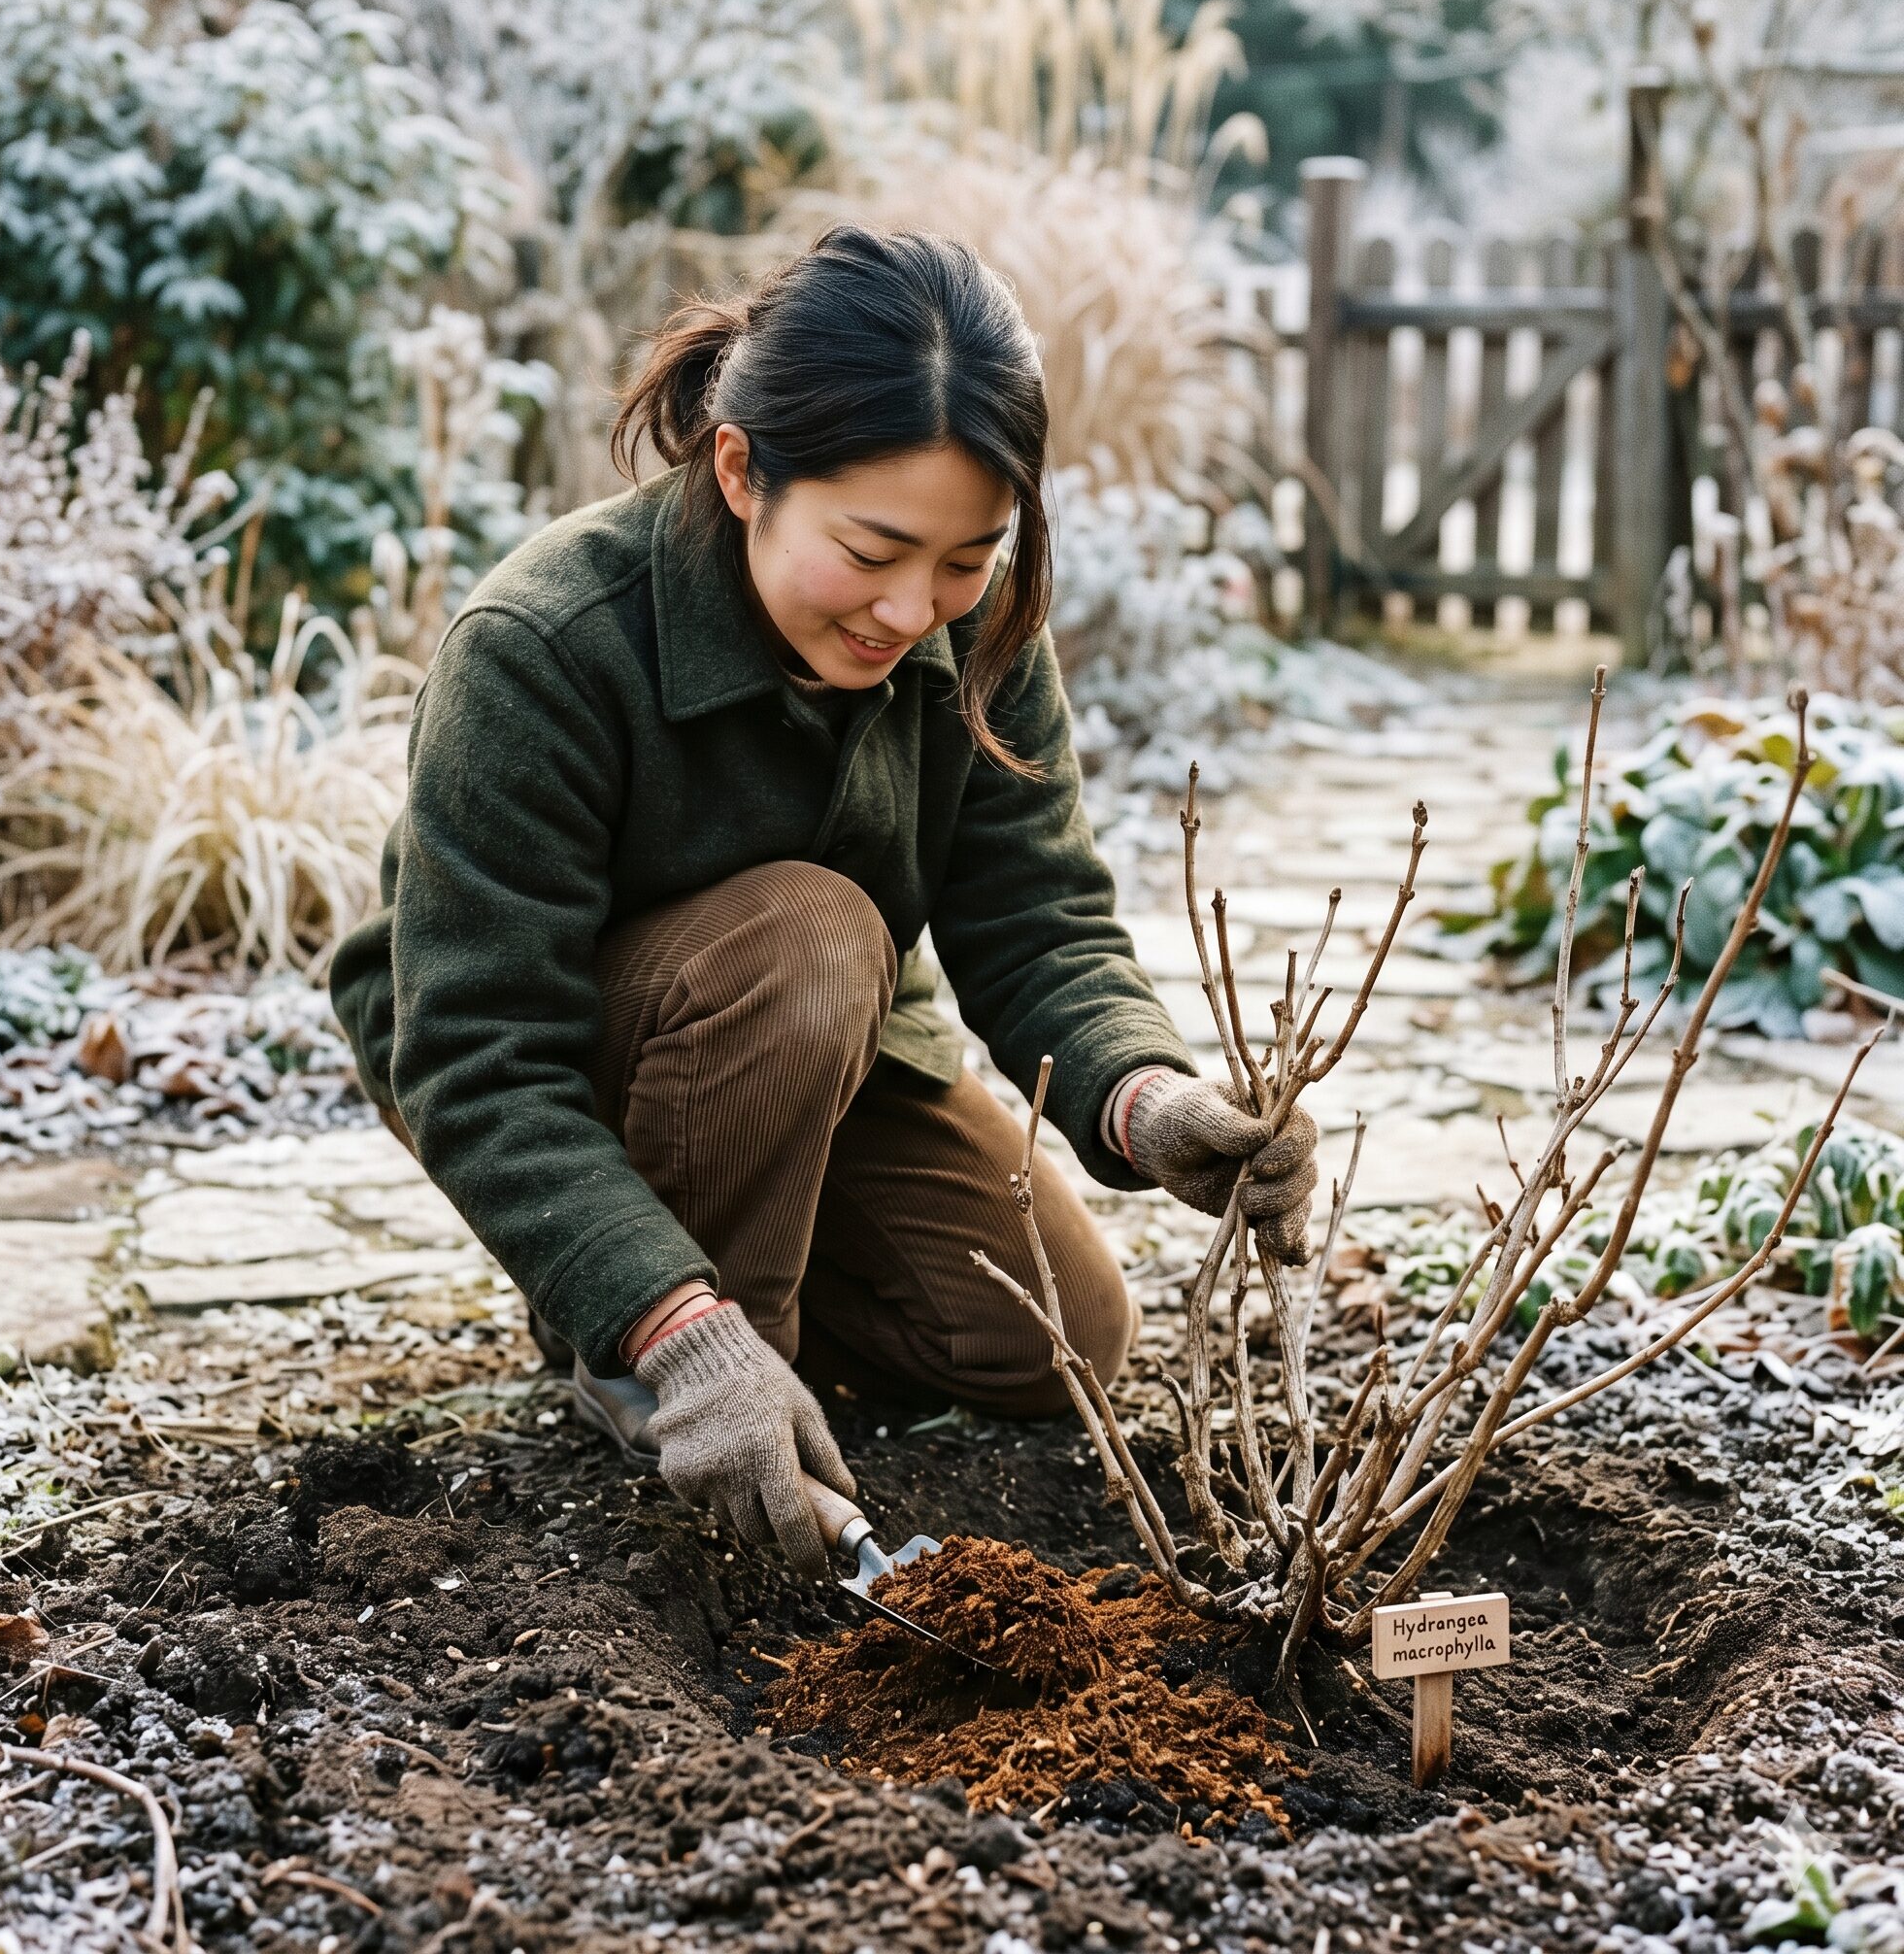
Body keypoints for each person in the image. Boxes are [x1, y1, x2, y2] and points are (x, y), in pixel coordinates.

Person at [329, 225, 1318, 1578]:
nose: (914, 608)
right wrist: (679, 1330)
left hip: (820, 1036)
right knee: (810, 937)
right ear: (741, 469)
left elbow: (1036, 917)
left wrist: (1148, 1101)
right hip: (557, 1040)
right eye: (874, 548)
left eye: (968, 556)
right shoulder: (544, 649)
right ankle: (657, 1353)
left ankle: (698, 1268)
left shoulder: (973, 629)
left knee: (1060, 1338)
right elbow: (476, 1050)